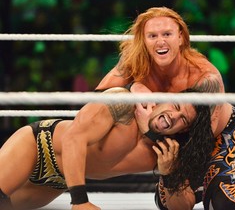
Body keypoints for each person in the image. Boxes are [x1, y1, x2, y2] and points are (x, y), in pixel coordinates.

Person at [95, 7, 235, 210]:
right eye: (152, 35)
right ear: (143, 40)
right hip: (178, 137)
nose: (160, 42)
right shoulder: (135, 62)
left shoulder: (204, 75)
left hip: (223, 133)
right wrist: (132, 87)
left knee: (223, 202)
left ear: (181, 37)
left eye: (167, 34)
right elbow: (98, 98)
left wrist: (151, 133)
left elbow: (201, 139)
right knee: (168, 203)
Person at [0, 87, 214, 210]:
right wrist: (80, 201)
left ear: (184, 129)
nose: (173, 116)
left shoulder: (167, 152)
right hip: (39, 146)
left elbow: (181, 207)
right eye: (175, 107)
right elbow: (73, 139)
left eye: (182, 119)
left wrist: (169, 175)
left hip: (60, 179)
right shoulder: (122, 103)